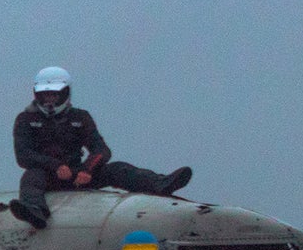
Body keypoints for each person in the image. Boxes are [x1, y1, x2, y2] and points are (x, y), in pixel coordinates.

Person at [10, 67, 193, 228]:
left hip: (78, 175)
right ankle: (35, 212)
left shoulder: (80, 117)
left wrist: (87, 169)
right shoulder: (25, 119)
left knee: (118, 168)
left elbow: (101, 150)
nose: (49, 100)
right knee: (31, 177)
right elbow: (23, 155)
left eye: (54, 95)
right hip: (47, 175)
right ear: (37, 94)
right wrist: (54, 166)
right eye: (44, 95)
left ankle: (160, 184)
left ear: (65, 93)